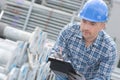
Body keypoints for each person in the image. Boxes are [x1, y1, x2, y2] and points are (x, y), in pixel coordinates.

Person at [50, 0, 117, 80]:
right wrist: (56, 58)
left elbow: (103, 77)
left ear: (102, 25)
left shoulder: (109, 49)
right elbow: (56, 52)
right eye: (84, 21)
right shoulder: (69, 31)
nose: (86, 27)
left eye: (92, 24)